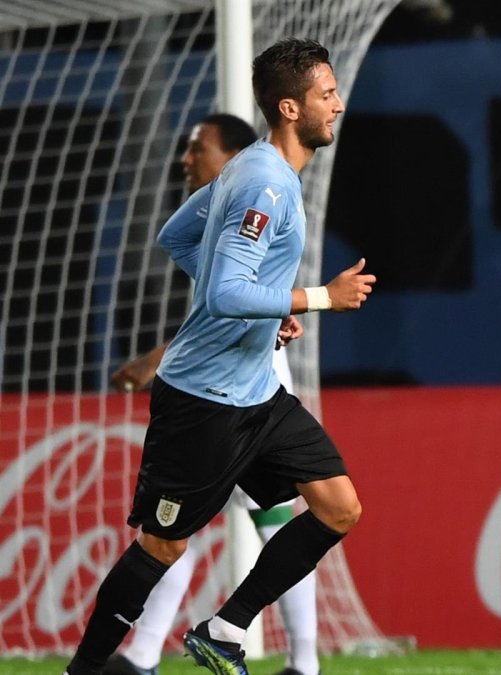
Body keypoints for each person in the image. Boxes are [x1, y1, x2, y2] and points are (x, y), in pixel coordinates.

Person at [64, 38, 375, 675]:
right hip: (203, 402)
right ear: (290, 108)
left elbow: (176, 237)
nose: (338, 105)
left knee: (338, 506)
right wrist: (320, 297)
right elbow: (225, 290)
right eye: (326, 95)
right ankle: (85, 671)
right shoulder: (265, 184)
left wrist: (269, 307)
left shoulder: (259, 167)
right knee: (162, 545)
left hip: (256, 393)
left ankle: (225, 628)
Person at [104, 114, 322, 675]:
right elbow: (216, 295)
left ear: (229, 156)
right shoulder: (235, 198)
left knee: (266, 519)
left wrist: (300, 301)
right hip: (218, 379)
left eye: (197, 148)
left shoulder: (258, 189)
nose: (186, 159)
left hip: (250, 384)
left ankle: (302, 661)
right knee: (179, 526)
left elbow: (228, 298)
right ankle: (147, 652)